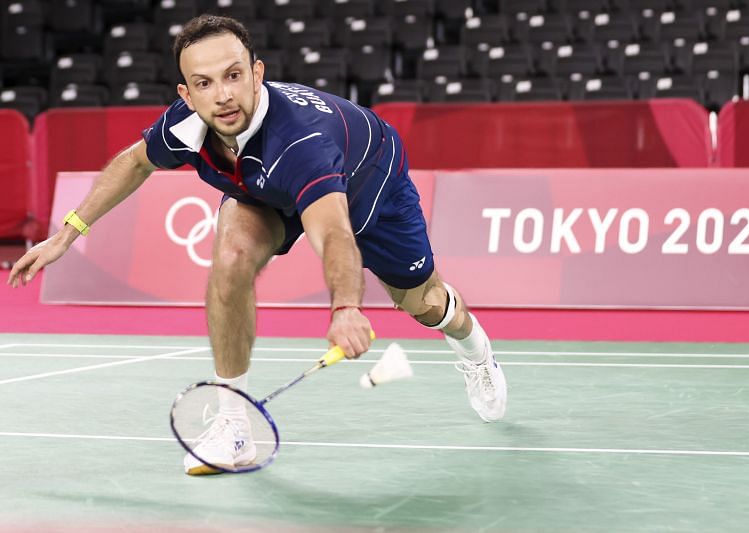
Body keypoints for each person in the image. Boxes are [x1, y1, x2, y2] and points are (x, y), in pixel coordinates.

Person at [7, 15, 507, 475]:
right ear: (187, 92)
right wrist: (66, 233)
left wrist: (346, 306)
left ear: (256, 72)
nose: (222, 95)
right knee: (230, 256)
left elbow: (333, 231)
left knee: (423, 303)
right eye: (204, 83)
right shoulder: (188, 122)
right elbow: (136, 162)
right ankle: (234, 425)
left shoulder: (301, 142)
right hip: (264, 190)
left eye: (233, 75)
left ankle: (475, 348)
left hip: (366, 180)